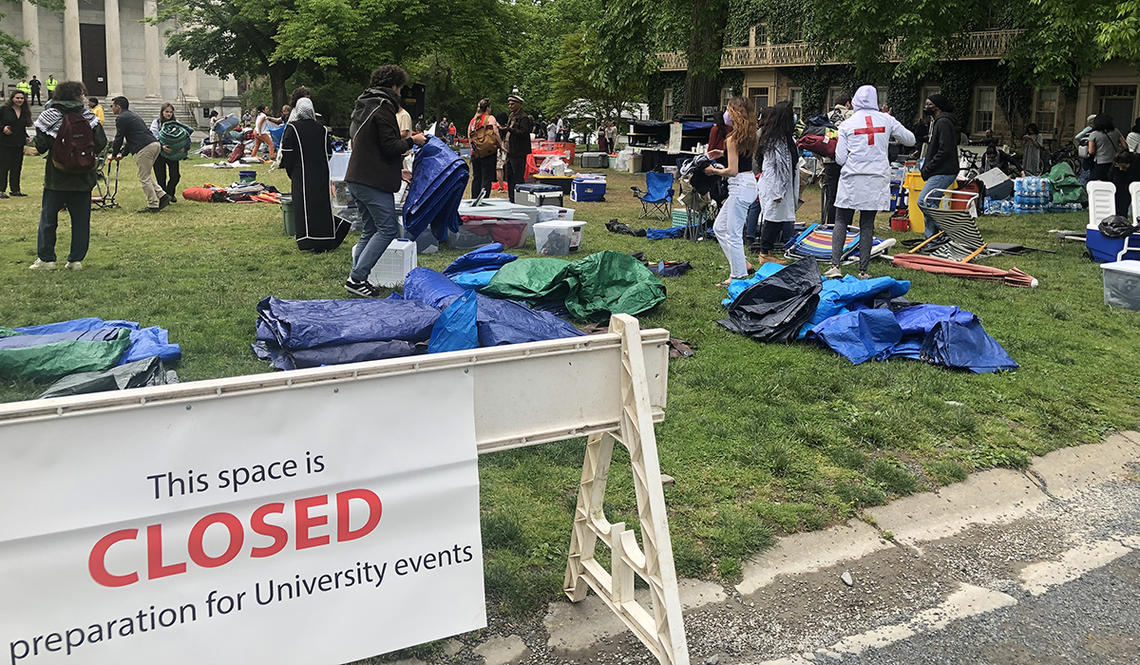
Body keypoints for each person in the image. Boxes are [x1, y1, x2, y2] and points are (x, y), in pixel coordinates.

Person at [343, 65, 428, 297]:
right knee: (388, 228)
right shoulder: (384, 108)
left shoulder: (364, 105)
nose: (400, 94)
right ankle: (357, 278)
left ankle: (357, 279)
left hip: (357, 176)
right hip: (372, 180)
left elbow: (370, 145)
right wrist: (413, 140)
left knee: (370, 229)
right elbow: (391, 147)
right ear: (393, 86)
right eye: (400, 88)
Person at [825, 85, 915, 280]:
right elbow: (910, 140)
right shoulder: (886, 120)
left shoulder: (847, 124)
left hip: (852, 177)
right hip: (876, 177)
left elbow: (840, 159)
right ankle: (863, 270)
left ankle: (835, 265)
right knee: (867, 223)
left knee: (841, 220)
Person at [29, 80, 107, 270]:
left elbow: (40, 145)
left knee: (48, 218)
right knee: (81, 221)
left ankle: (47, 259)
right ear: (79, 95)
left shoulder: (49, 116)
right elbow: (101, 142)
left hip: (57, 176)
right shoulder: (89, 116)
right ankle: (75, 260)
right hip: (83, 177)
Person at [281, 97, 349, 252]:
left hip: (301, 172)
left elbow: (287, 153)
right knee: (320, 204)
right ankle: (325, 237)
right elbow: (328, 153)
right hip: (321, 172)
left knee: (304, 205)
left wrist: (292, 171)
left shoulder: (293, 128)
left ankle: (307, 240)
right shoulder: (322, 129)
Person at [705, 97, 759, 286]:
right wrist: (722, 154)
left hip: (739, 185)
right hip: (749, 183)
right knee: (719, 228)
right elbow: (741, 158)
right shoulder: (750, 135)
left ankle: (738, 276)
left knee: (733, 233)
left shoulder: (732, 139)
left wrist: (713, 170)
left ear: (733, 113)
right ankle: (743, 265)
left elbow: (732, 170)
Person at [755, 101, 800, 263]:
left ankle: (770, 251)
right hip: (775, 187)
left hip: (784, 186)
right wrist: (776, 192)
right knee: (772, 219)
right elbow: (770, 169)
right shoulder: (773, 141)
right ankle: (764, 252)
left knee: (780, 219)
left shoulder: (786, 139)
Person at [108, 95, 168, 213]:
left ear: (118, 107)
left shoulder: (122, 118)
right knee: (146, 174)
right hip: (154, 145)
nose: (111, 108)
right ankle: (163, 196)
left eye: (112, 106)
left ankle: (153, 205)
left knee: (143, 177)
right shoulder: (133, 115)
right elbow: (131, 138)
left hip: (145, 147)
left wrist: (114, 154)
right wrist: (123, 154)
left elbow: (119, 138)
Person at [917, 93, 958, 238]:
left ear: (938, 107)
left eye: (929, 104)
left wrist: (929, 167)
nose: (926, 107)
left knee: (924, 201)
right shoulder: (938, 122)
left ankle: (951, 231)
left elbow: (945, 150)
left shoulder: (943, 122)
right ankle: (932, 240)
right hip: (940, 170)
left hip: (944, 170)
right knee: (930, 203)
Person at [822, 95, 854, 228]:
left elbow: (819, 138)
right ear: (847, 103)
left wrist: (821, 158)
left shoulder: (827, 116)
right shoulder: (853, 116)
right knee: (849, 195)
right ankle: (846, 225)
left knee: (832, 195)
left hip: (829, 160)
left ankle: (831, 225)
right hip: (848, 161)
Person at [0, 88, 33, 198]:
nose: (19, 100)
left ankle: (15, 190)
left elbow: (22, 127)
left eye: (22, 98)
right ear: (12, 98)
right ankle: (1, 190)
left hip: (18, 143)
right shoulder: (4, 109)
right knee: (3, 166)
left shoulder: (24, 112)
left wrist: (26, 137)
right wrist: (3, 128)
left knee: (17, 166)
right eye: (17, 98)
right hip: (5, 142)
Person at [468, 98, 502, 198]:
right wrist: (501, 145)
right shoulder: (490, 118)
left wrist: (474, 148)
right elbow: (495, 132)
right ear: (488, 108)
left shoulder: (473, 120)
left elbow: (469, 136)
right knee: (486, 177)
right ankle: (483, 200)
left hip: (475, 152)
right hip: (488, 151)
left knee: (476, 177)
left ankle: (474, 198)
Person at [503, 93, 533, 203]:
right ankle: (511, 198)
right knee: (509, 176)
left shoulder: (523, 117)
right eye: (509, 104)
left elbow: (524, 133)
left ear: (519, 104)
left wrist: (510, 130)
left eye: (512, 104)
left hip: (518, 151)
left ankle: (519, 198)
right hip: (510, 151)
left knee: (518, 176)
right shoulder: (511, 116)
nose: (510, 106)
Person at [149, 103, 182, 202]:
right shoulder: (156, 122)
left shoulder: (176, 123)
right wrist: (162, 146)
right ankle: (164, 196)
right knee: (161, 176)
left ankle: (170, 193)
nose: (169, 114)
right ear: (162, 112)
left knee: (175, 175)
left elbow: (182, 136)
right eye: (167, 112)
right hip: (159, 152)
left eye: (171, 112)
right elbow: (153, 136)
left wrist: (181, 147)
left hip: (172, 153)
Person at [1088, 114, 1121, 182]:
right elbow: (1125, 145)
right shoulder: (1116, 131)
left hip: (1100, 163)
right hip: (1114, 162)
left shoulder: (1094, 134)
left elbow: (1091, 151)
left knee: (1099, 184)